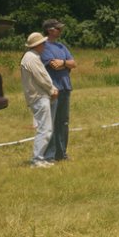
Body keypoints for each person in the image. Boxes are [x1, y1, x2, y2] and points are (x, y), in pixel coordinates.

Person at [40, 18, 76, 161]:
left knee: (64, 122)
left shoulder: (61, 46)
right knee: (52, 123)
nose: (61, 30)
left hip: (66, 88)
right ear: (50, 30)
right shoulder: (44, 47)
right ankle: (50, 155)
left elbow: (74, 63)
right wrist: (65, 64)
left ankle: (62, 154)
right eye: (58, 28)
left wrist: (64, 63)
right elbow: (53, 65)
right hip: (53, 90)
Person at [21, 32, 58, 167]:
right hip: (39, 96)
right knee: (45, 128)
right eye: (42, 42)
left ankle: (40, 158)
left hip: (38, 96)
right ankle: (36, 160)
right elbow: (41, 77)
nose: (44, 44)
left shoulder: (32, 56)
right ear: (36, 45)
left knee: (45, 128)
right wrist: (51, 90)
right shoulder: (32, 58)